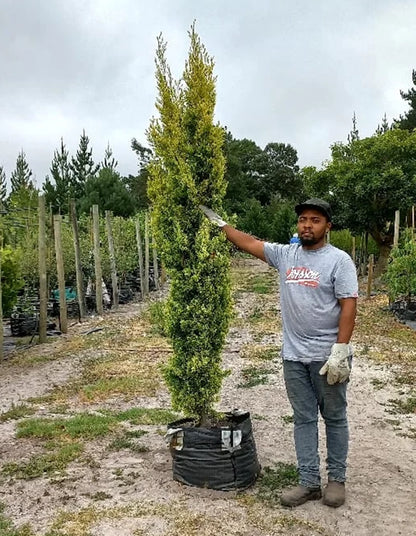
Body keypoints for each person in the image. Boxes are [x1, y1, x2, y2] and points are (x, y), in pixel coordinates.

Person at [200, 198, 358, 508]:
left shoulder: (339, 261)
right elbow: (249, 243)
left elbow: (349, 305)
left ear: (328, 226)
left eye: (314, 220)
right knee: (303, 418)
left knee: (335, 418)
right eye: (302, 219)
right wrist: (221, 225)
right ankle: (309, 481)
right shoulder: (286, 255)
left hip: (328, 357)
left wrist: (340, 350)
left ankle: (336, 479)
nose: (307, 225)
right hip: (294, 356)